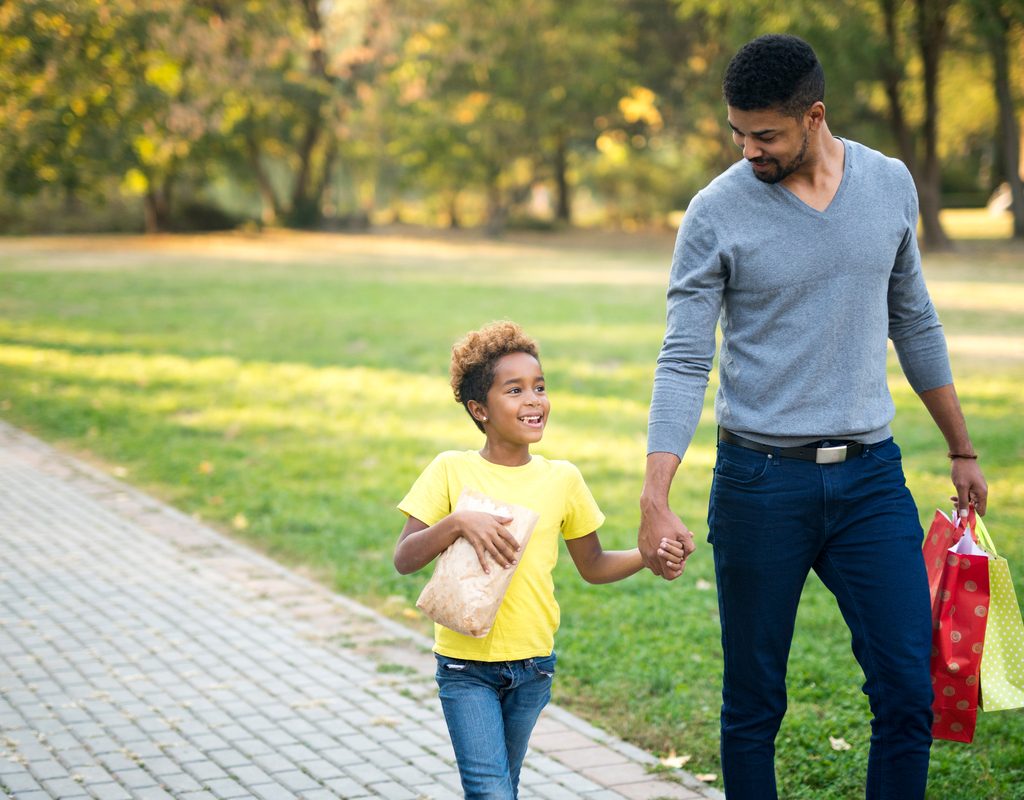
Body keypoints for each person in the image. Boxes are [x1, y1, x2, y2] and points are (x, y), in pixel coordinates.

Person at [637, 34, 988, 800]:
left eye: (764, 135)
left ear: (814, 117)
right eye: (737, 133)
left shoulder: (888, 184)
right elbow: (684, 358)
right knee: (754, 702)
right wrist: (655, 494)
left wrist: (960, 448)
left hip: (870, 479)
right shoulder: (715, 212)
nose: (748, 150)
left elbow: (915, 319)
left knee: (907, 689)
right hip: (759, 483)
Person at [396, 321, 684, 800]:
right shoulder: (451, 469)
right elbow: (404, 559)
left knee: (503, 784)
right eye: (515, 390)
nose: (534, 400)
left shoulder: (563, 479)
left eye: (540, 387)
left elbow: (592, 565)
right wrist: (458, 522)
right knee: (491, 791)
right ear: (479, 409)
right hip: (466, 666)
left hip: (533, 666)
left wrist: (647, 556)